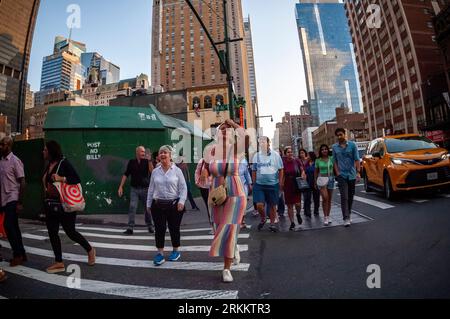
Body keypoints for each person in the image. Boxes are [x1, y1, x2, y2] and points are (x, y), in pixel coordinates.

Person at [42, 140, 95, 273]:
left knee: (70, 232)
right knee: (52, 233)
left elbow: (76, 179)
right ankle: (59, 262)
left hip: (64, 203)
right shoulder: (48, 164)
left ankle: (90, 250)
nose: (43, 152)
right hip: (50, 203)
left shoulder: (63, 163)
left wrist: (62, 178)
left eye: (45, 150)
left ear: (51, 151)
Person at [207, 119, 247, 283]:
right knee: (219, 227)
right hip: (217, 194)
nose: (225, 131)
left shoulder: (236, 149)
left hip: (235, 193)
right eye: (222, 129)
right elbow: (207, 168)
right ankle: (234, 246)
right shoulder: (211, 150)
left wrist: (230, 122)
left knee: (229, 228)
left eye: (228, 130)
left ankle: (226, 268)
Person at [147, 145, 187, 266]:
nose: (163, 154)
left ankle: (176, 251)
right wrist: (148, 204)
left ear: (170, 155)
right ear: (158, 156)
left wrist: (181, 201)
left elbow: (183, 187)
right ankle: (160, 253)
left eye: (165, 152)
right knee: (159, 229)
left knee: (174, 228)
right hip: (158, 205)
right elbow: (151, 189)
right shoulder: (155, 171)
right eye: (161, 153)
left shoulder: (177, 171)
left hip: (174, 205)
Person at [0, 136, 26, 267]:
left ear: (9, 146)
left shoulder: (15, 161)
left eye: (3, 144)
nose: (0, 147)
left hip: (13, 198)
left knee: (8, 226)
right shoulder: (1, 161)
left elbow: (22, 181)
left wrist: (20, 202)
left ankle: (17, 255)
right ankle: (22, 253)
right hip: (3, 199)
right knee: (14, 227)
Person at [118, 146, 155, 235]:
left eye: (144, 152)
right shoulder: (131, 162)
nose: (144, 153)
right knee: (132, 207)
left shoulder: (147, 161)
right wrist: (120, 186)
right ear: (137, 152)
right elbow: (126, 174)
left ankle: (150, 226)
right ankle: (130, 228)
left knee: (147, 208)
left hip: (145, 189)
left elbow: (152, 171)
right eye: (142, 151)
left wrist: (149, 160)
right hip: (134, 189)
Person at [252, 136, 284, 232]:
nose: (262, 144)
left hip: (273, 184)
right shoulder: (256, 156)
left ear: (268, 143)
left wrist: (280, 181)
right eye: (260, 142)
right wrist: (254, 184)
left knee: (272, 205)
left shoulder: (275, 155)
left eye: (264, 142)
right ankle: (263, 218)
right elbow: (254, 170)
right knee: (259, 205)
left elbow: (281, 169)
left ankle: (272, 224)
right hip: (259, 185)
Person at [332, 128, 361, 227]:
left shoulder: (352, 145)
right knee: (344, 196)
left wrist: (358, 172)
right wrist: (337, 173)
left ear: (345, 134)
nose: (339, 137)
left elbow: (357, 159)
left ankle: (348, 213)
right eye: (338, 135)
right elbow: (334, 161)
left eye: (341, 134)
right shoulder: (334, 147)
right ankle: (346, 217)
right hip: (341, 175)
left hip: (352, 174)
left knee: (350, 196)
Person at [282, 146, 305, 231]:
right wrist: (281, 185)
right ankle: (292, 222)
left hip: (296, 183)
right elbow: (282, 174)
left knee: (298, 204)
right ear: (285, 154)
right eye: (288, 152)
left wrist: (302, 174)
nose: (290, 153)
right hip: (287, 185)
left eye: (291, 152)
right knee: (289, 205)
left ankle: (298, 214)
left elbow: (302, 169)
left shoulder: (297, 161)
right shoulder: (283, 163)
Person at [195, 145, 214, 234]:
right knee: (208, 207)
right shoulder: (201, 161)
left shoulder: (215, 161)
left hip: (214, 187)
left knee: (215, 207)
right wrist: (197, 182)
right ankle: (212, 226)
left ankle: (218, 224)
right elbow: (197, 172)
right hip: (204, 188)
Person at [314, 145, 335, 226]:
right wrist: (315, 182)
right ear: (320, 151)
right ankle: (325, 217)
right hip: (322, 179)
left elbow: (335, 168)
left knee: (329, 199)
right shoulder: (318, 160)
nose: (324, 151)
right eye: (322, 149)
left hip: (331, 179)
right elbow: (316, 171)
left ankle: (328, 216)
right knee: (325, 197)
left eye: (326, 149)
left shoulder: (331, 158)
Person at [304, 152, 320, 217]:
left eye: (308, 155)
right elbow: (303, 171)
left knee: (316, 197)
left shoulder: (316, 163)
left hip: (315, 182)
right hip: (307, 183)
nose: (307, 157)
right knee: (307, 198)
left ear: (311, 156)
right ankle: (308, 212)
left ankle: (316, 210)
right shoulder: (306, 164)